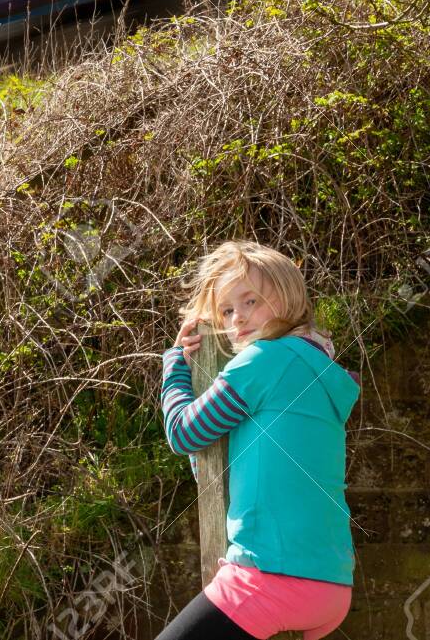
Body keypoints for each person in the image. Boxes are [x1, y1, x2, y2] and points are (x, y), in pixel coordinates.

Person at [154, 240, 362, 640]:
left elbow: (182, 433)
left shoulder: (263, 359)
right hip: (333, 583)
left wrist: (175, 363)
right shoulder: (318, 366)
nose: (237, 319)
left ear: (287, 296)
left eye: (250, 302)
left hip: (273, 575)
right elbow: (213, 468)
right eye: (228, 310)